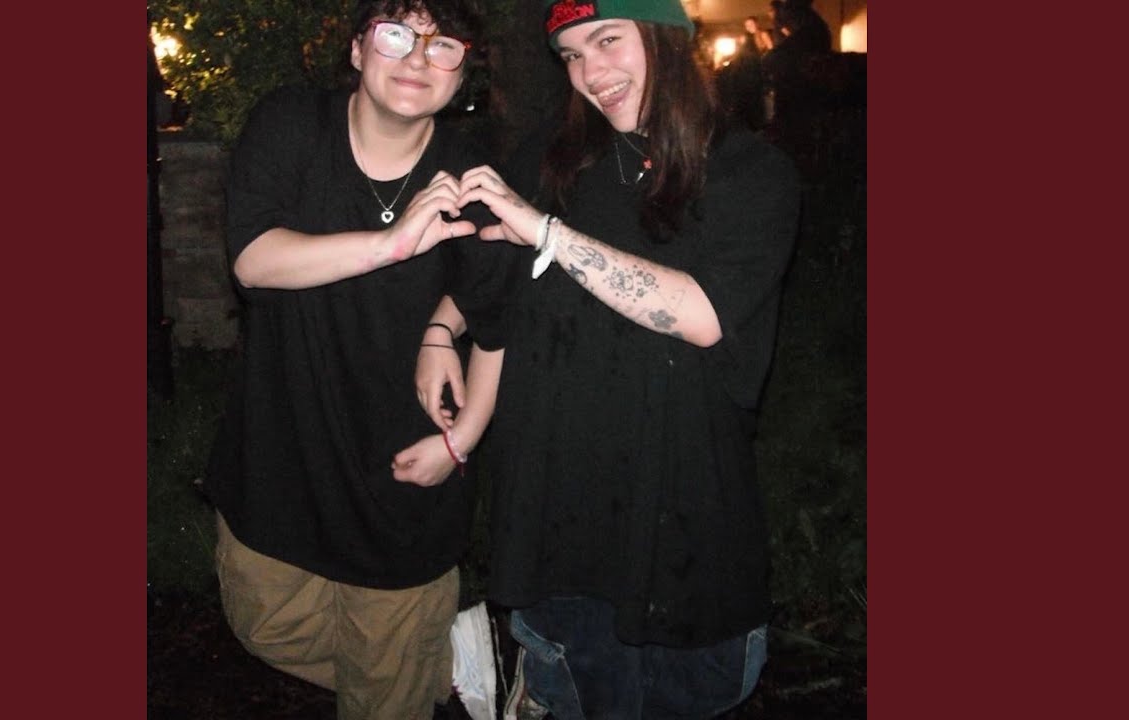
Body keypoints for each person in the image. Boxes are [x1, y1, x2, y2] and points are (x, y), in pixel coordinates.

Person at [416, 0, 801, 717]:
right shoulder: (552, 157)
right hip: (558, 532)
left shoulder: (750, 170)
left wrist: (548, 235)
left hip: (688, 536)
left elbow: (704, 315)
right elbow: (492, 262)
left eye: (608, 41)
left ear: (666, 39)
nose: (591, 72)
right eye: (571, 55)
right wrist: (442, 327)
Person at [203, 1, 511, 717]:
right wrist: (390, 245)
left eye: (442, 47)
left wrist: (461, 441)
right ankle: (446, 666)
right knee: (265, 626)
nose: (417, 58)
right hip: (279, 458)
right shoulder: (291, 124)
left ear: (461, 73)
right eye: (397, 35)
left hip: (401, 474)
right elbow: (253, 262)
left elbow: (499, 317)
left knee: (382, 695)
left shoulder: (472, 175)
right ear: (356, 50)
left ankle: (411, 673)